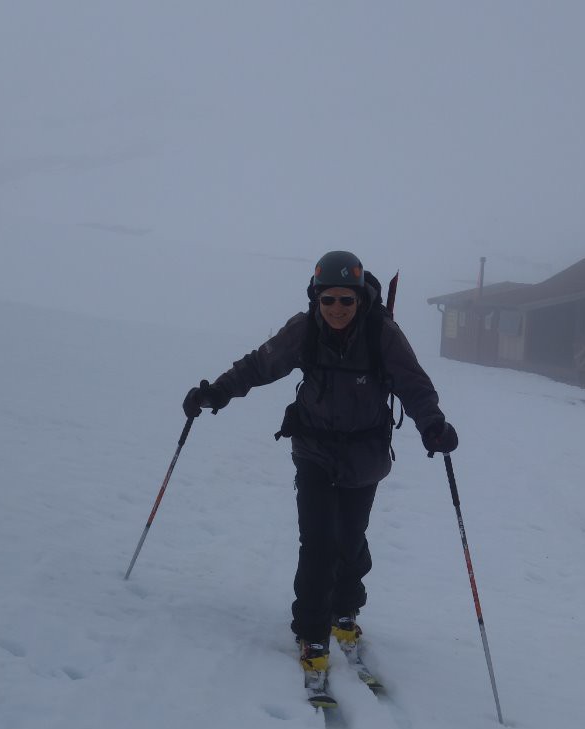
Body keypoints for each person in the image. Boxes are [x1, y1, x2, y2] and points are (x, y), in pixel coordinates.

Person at [182, 250, 458, 699]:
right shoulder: (305, 327)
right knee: (317, 541)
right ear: (316, 297)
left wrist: (433, 426)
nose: (336, 309)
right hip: (313, 450)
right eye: (328, 299)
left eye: (345, 301)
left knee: (350, 540)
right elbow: (260, 364)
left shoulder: (381, 333)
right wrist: (216, 393)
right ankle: (311, 630)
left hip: (365, 454)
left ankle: (344, 612)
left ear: (359, 300)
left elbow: (414, 384)